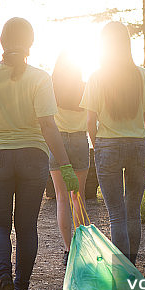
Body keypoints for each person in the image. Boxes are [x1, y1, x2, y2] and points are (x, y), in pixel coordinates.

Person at [0, 17, 79, 290]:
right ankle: (20, 289)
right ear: (30, 43)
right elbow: (48, 125)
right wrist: (66, 166)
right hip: (33, 157)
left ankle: (3, 276)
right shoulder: (40, 77)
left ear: (2, 42)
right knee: (26, 225)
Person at [80, 21, 145, 266]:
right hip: (138, 146)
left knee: (116, 215)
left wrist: (98, 146)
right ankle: (132, 267)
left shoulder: (97, 76)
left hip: (108, 146)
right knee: (133, 212)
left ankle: (122, 273)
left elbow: (90, 121)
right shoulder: (141, 74)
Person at [49, 53, 90, 265]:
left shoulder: (51, 87)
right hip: (80, 140)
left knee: (61, 197)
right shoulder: (85, 86)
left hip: (57, 143)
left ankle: (67, 249)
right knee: (78, 196)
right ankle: (82, 247)